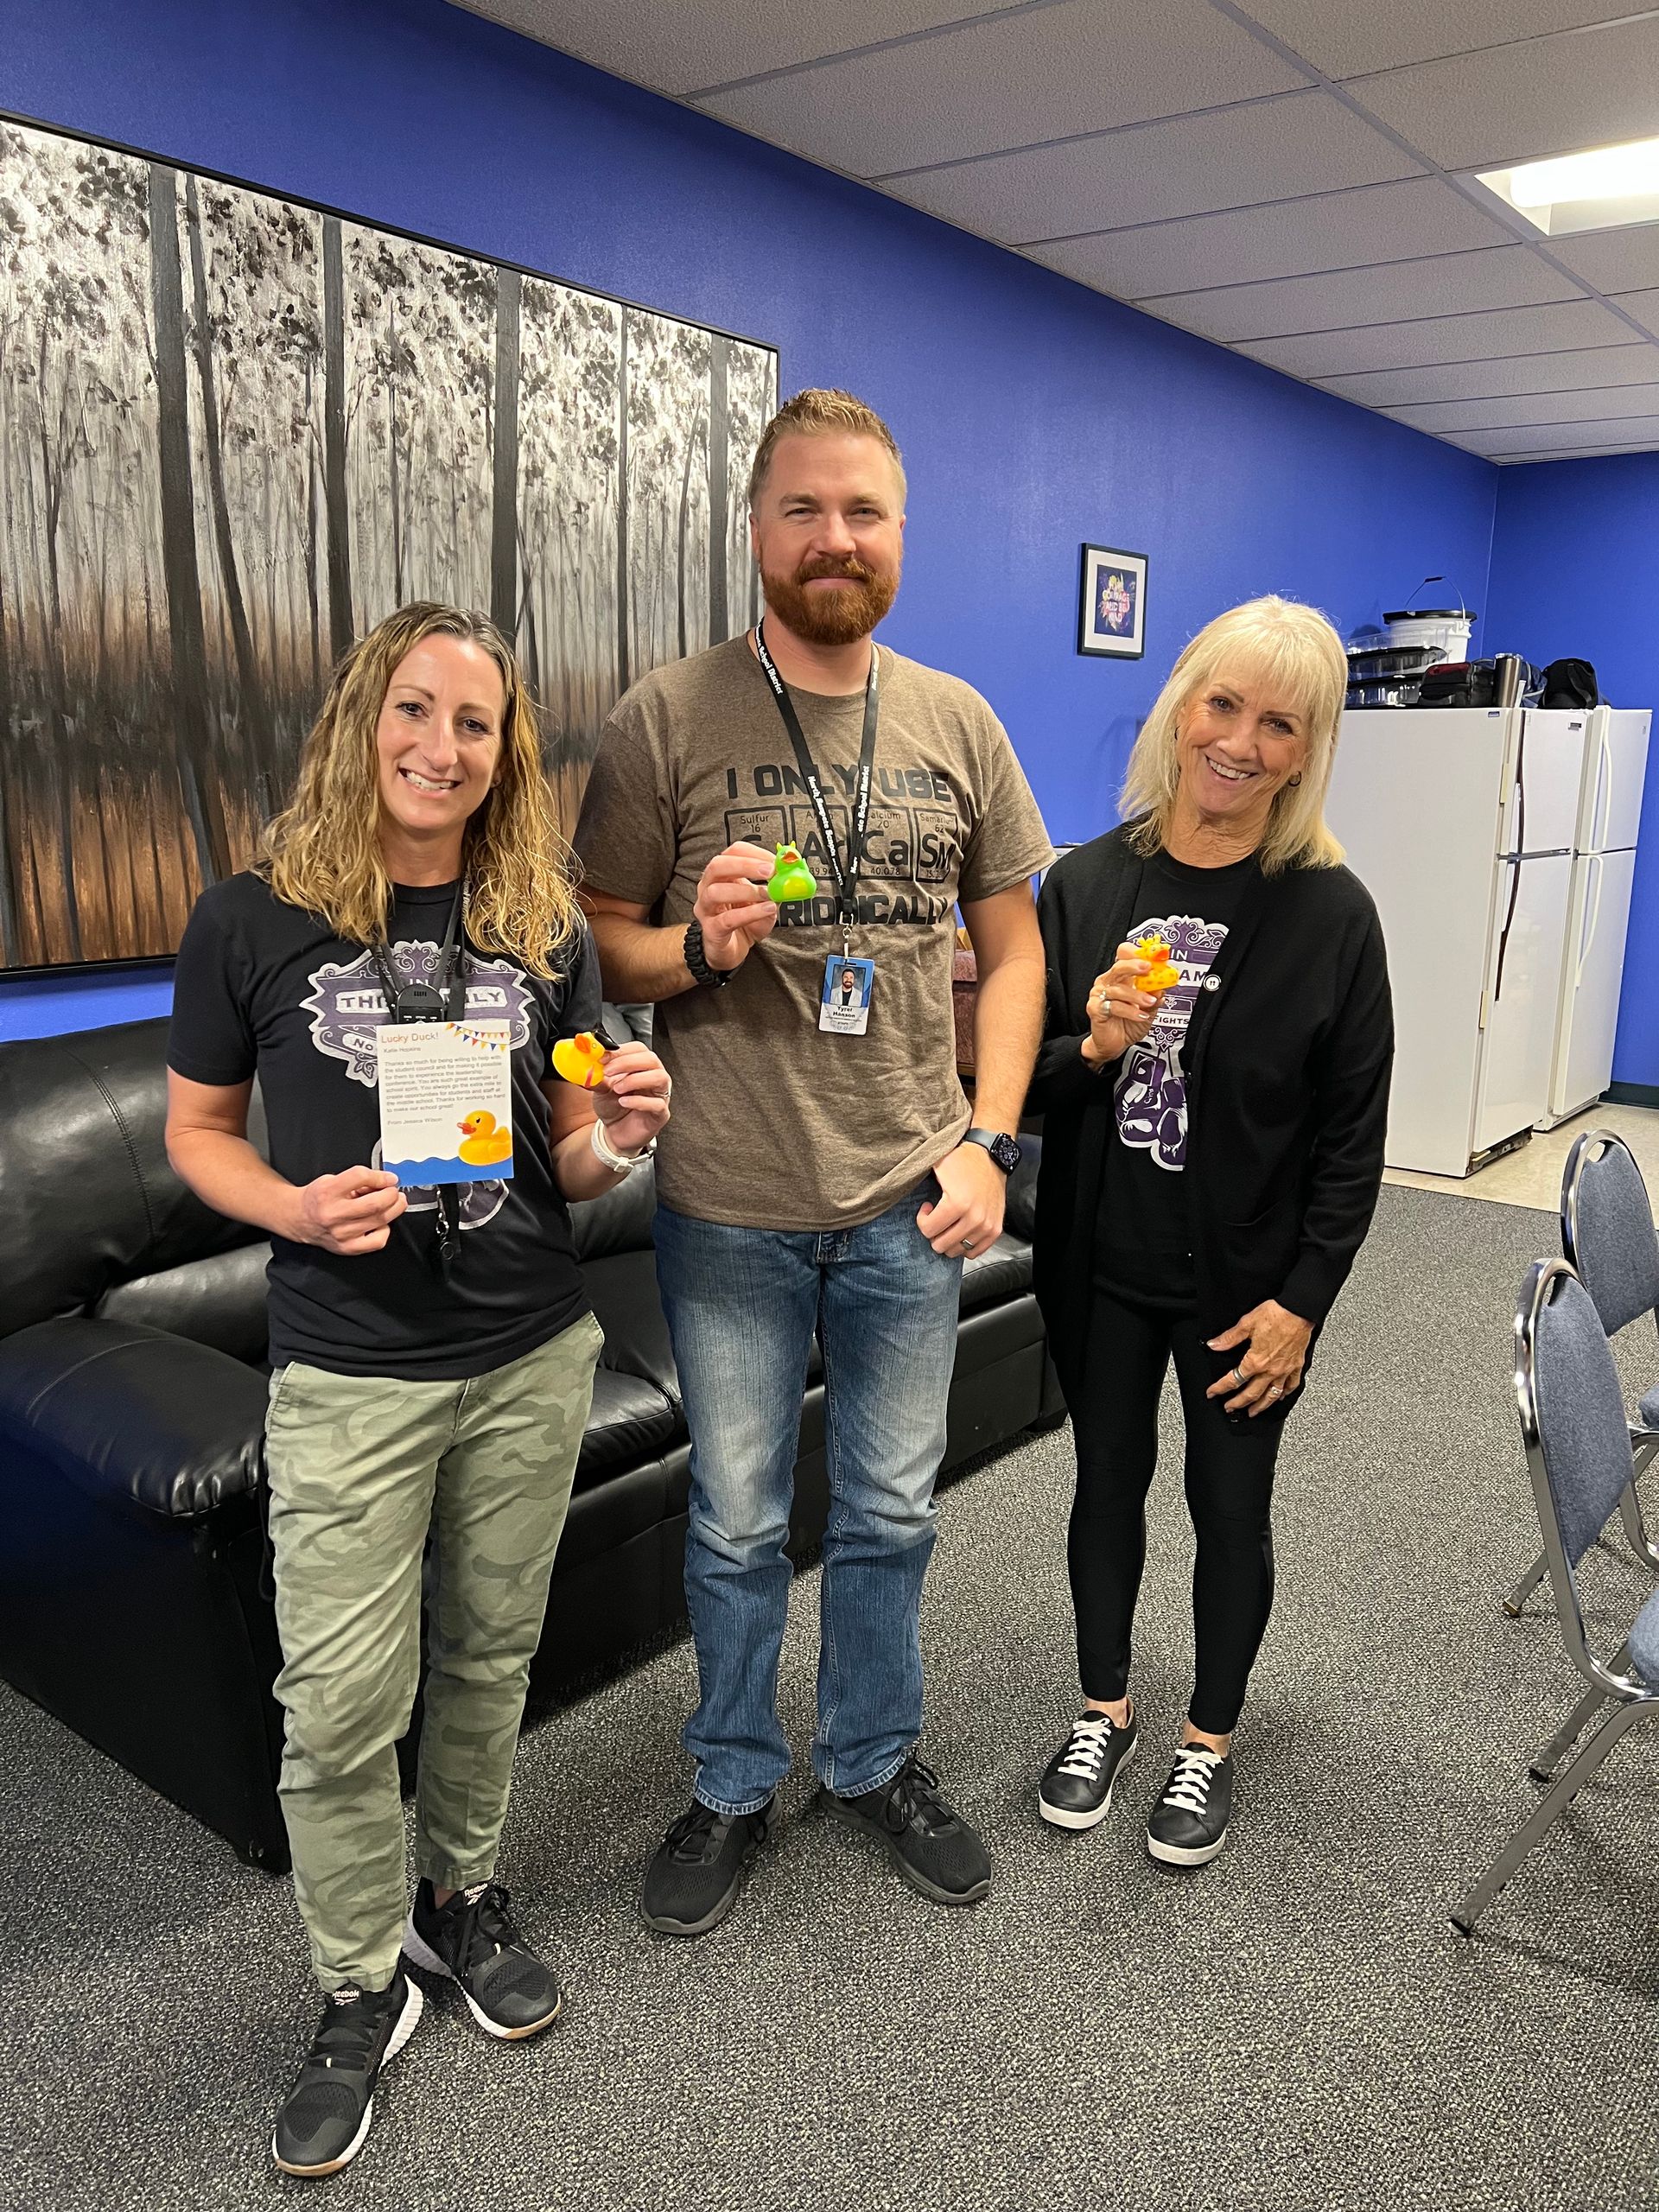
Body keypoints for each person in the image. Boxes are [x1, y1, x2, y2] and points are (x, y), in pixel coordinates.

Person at [165, 603, 670, 2177]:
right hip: (350, 1371)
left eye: (476, 723)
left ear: (506, 748)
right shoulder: (254, 917)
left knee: (487, 1659)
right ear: (359, 716)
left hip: (528, 1354)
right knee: (334, 1707)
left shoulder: (542, 923)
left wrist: (627, 1127)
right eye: (416, 709)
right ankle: (358, 1978)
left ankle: (458, 1897)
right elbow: (198, 1139)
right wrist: (298, 1208)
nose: (442, 747)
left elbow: (570, 1162)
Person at [574, 388, 1052, 1935]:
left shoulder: (960, 724)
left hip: (915, 1200)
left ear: (897, 536)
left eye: (864, 512)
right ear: (759, 529)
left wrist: (989, 1138)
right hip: (727, 1206)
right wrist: (695, 946)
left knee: (892, 1515)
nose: (834, 538)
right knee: (730, 1521)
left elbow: (1015, 948)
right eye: (804, 510)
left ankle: (868, 1758)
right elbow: (603, 950)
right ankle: (728, 1778)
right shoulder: (665, 716)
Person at [1027, 597, 1390, 1867]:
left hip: (1247, 1288)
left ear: (1306, 751)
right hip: (1102, 1266)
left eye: (1277, 724)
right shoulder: (1084, 884)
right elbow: (1020, 1088)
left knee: (1229, 1505)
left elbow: (1353, 1139)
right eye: (1222, 704)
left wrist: (1305, 1303)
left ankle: (1206, 1741)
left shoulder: (1330, 913)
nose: (1239, 741)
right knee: (1104, 1483)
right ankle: (1103, 1710)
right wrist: (1097, 1046)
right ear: (1184, 707)